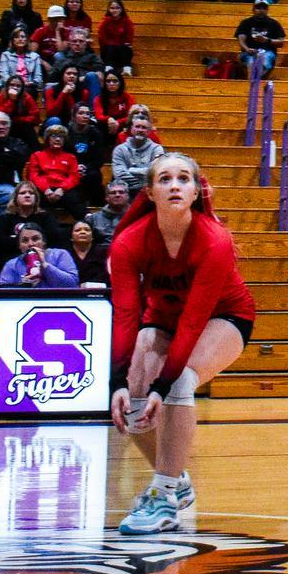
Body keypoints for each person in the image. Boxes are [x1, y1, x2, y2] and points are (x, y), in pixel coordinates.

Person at [106, 151, 257, 534]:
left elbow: (193, 321)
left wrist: (163, 383)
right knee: (136, 397)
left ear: (195, 191)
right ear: (150, 192)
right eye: (165, 179)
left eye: (184, 179)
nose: (175, 185)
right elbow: (125, 313)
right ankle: (176, 480)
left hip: (223, 318)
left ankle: (163, 496)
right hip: (162, 319)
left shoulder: (214, 239)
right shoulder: (128, 242)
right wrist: (117, 382)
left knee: (179, 383)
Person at [0, 182, 60, 269]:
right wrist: (34, 241)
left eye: (31, 193)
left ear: (36, 198)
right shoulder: (3, 219)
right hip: (12, 263)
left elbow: (53, 237)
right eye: (23, 193)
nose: (27, 195)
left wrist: (15, 239)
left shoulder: (46, 217)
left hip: (42, 261)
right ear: (15, 197)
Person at [25, 124, 83, 219]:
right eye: (54, 136)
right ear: (48, 139)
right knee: (33, 197)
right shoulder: (37, 155)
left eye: (61, 137)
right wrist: (46, 190)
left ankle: (87, 221)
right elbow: (33, 175)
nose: (58, 139)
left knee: (74, 199)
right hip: (43, 189)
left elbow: (74, 177)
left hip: (63, 189)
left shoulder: (70, 157)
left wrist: (62, 189)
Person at [62, 103, 111, 213]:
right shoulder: (66, 134)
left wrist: (85, 167)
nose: (85, 116)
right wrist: (75, 167)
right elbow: (63, 155)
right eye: (81, 113)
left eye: (87, 114)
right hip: (69, 168)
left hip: (89, 168)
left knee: (94, 176)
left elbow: (99, 159)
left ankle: (97, 207)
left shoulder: (96, 133)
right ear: (74, 116)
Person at [0, 225, 81, 288]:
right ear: (19, 246)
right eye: (25, 240)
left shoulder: (60, 255)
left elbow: (72, 284)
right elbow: (2, 291)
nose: (31, 244)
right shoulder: (11, 265)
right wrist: (24, 286)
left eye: (35, 239)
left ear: (43, 242)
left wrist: (45, 265)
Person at [109, 119, 167, 197]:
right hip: (126, 192)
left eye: (144, 127)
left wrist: (131, 170)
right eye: (137, 126)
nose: (140, 130)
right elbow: (119, 175)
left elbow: (156, 174)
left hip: (149, 193)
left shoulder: (157, 149)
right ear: (131, 129)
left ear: (149, 131)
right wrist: (144, 179)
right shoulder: (120, 149)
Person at [49, 32, 106, 107]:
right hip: (64, 87)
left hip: (84, 86)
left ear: (86, 44)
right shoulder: (62, 59)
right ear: (69, 44)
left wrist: (79, 79)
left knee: (92, 75)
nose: (77, 44)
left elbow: (100, 75)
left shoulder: (93, 58)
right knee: (48, 86)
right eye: (74, 41)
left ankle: (93, 111)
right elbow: (51, 78)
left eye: (81, 41)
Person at [234, 0, 284, 79]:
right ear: (253, 9)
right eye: (258, 8)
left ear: (267, 10)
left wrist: (267, 40)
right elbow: (241, 39)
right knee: (251, 61)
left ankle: (254, 82)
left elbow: (281, 43)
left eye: (264, 8)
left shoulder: (274, 24)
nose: (261, 10)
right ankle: (255, 81)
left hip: (267, 52)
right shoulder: (246, 23)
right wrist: (247, 49)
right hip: (249, 52)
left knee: (264, 60)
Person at [0, 74, 42, 146]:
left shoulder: (27, 97)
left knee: (27, 127)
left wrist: (18, 119)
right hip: (6, 126)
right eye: (12, 85)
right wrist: (12, 100)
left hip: (22, 126)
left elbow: (36, 117)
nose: (15, 88)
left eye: (18, 86)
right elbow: (0, 115)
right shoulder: (1, 96)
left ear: (22, 88)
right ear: (7, 86)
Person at [0, 30, 44, 96]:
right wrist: (15, 83)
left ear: (27, 40)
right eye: (16, 37)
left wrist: (30, 83)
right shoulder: (5, 55)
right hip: (9, 84)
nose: (20, 39)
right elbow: (4, 74)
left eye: (23, 37)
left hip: (27, 86)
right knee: (8, 91)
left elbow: (38, 78)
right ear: (13, 40)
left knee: (28, 92)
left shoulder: (35, 56)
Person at [97, 0, 136, 74]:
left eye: (117, 8)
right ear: (108, 9)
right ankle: (108, 68)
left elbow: (129, 37)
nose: (115, 10)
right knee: (110, 47)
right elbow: (101, 37)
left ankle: (126, 69)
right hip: (108, 51)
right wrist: (108, 45)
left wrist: (124, 44)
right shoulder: (105, 21)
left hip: (122, 51)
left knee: (126, 47)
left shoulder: (127, 21)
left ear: (121, 9)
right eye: (112, 8)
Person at [69, 218, 110, 286]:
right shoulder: (65, 253)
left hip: (100, 291)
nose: (83, 232)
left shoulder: (103, 252)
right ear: (71, 237)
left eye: (87, 230)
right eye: (77, 230)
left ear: (92, 236)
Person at [88, 179, 130, 245]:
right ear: (107, 197)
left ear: (127, 196)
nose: (117, 195)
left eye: (121, 192)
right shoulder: (93, 219)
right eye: (113, 193)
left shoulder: (137, 216)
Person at [93, 68, 135, 134]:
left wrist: (118, 122)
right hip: (105, 127)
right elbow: (99, 116)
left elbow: (131, 116)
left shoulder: (127, 97)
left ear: (120, 83)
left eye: (115, 81)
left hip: (123, 127)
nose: (111, 84)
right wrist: (109, 119)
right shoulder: (99, 98)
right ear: (104, 83)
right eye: (108, 81)